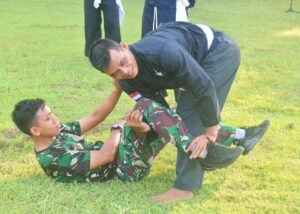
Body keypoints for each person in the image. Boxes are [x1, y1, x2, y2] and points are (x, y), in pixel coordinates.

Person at [88, 21, 271, 201]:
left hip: (218, 51)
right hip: (191, 65)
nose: (125, 71)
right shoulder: (126, 82)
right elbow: (163, 115)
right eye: (115, 73)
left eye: (123, 62)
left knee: (191, 115)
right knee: (182, 118)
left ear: (124, 46)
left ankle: (185, 188)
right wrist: (143, 129)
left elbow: (204, 86)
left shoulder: (162, 51)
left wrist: (211, 131)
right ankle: (244, 136)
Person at [11, 89, 244, 186]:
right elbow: (106, 155)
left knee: (170, 115)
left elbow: (95, 115)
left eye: (53, 114)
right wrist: (118, 128)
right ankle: (209, 149)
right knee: (148, 109)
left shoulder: (59, 131)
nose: (56, 119)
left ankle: (239, 135)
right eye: (49, 118)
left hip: (125, 154)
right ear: (35, 131)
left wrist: (117, 88)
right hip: (125, 170)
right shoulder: (51, 158)